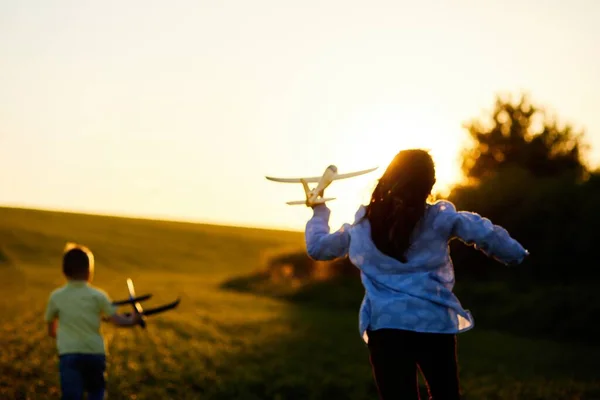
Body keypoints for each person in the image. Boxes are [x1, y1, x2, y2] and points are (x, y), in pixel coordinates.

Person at [304, 149, 528, 400]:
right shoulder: (441, 219)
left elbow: (318, 248)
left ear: (388, 179)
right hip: (433, 326)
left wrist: (320, 212)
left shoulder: (362, 226)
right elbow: (486, 233)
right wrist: (518, 255)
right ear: (430, 185)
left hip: (386, 328)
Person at [45, 243, 141, 400]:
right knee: (96, 393)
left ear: (64, 271)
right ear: (89, 272)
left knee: (71, 396)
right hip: (94, 354)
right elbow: (118, 320)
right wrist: (134, 319)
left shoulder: (56, 297)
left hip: (69, 354)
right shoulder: (98, 296)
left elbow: (51, 331)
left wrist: (66, 338)